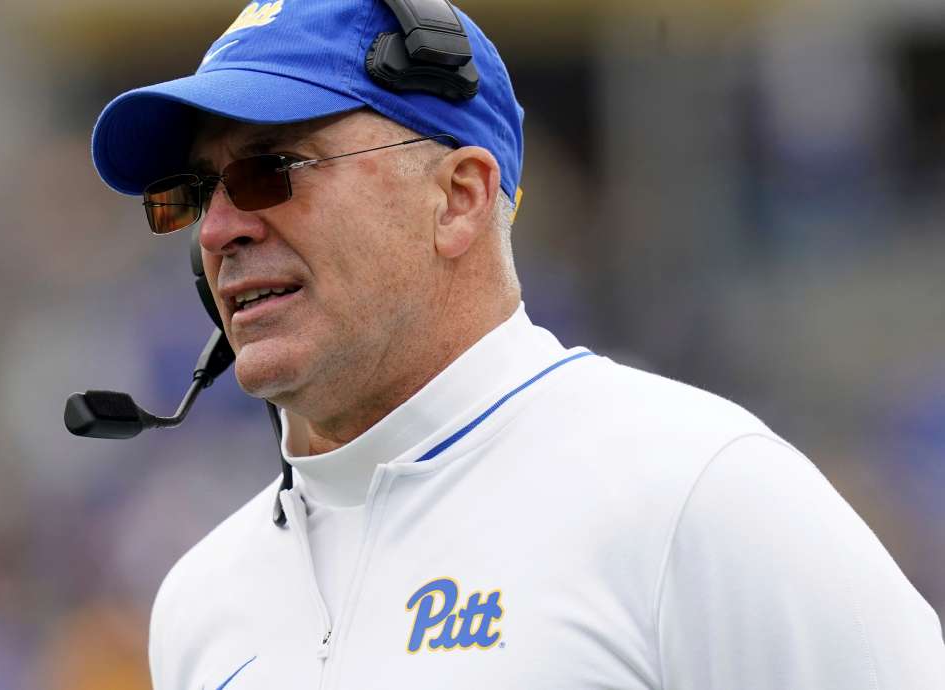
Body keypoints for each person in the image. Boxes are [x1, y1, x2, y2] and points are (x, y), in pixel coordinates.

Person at [89, 1, 945, 688]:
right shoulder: (198, 603)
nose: (220, 229)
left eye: (270, 168)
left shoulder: (696, 492)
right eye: (194, 193)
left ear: (459, 198)